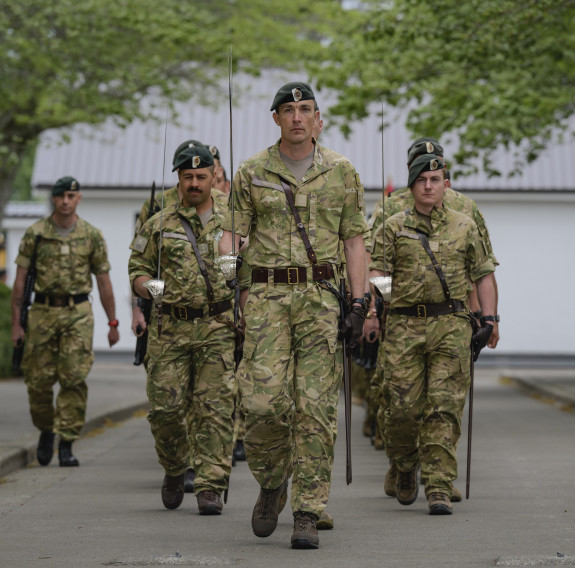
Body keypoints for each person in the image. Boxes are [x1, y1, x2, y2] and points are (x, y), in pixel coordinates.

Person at [219, 81, 368, 549]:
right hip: (264, 300)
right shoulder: (251, 172)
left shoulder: (341, 171)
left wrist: (361, 302)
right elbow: (231, 232)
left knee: (315, 409)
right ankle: (270, 480)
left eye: (305, 108)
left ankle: (308, 509)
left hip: (321, 299)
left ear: (317, 118)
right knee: (261, 405)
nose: (297, 116)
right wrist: (229, 270)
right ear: (277, 119)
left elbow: (355, 241)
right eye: (288, 109)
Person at [369, 154, 496, 515]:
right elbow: (378, 270)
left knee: (445, 407)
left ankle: (438, 485)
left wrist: (489, 317)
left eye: (435, 179)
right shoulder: (391, 226)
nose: (429, 185)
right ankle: (405, 464)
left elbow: (483, 272)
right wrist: (381, 307)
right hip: (404, 326)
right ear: (412, 185)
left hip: (451, 325)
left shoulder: (464, 225)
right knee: (401, 409)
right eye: (422, 179)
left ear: (445, 184)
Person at [129, 146, 237, 516]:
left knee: (216, 410)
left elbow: (256, 266)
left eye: (201, 176)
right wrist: (150, 288)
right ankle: (175, 467)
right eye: (187, 177)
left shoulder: (235, 216)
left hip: (218, 325)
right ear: (178, 177)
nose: (194, 183)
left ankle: (210, 485)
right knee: (165, 410)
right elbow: (137, 268)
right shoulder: (159, 221)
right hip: (170, 328)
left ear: (213, 175)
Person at [11, 176, 119, 467]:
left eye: (71, 196)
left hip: (77, 313)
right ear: (54, 199)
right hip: (42, 313)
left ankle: (68, 442)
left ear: (79, 198)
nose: (66, 201)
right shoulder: (36, 234)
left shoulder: (92, 235)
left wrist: (113, 323)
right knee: (38, 382)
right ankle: (47, 429)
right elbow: (20, 283)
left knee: (74, 378)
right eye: (61, 196)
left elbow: (104, 282)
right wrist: (16, 325)